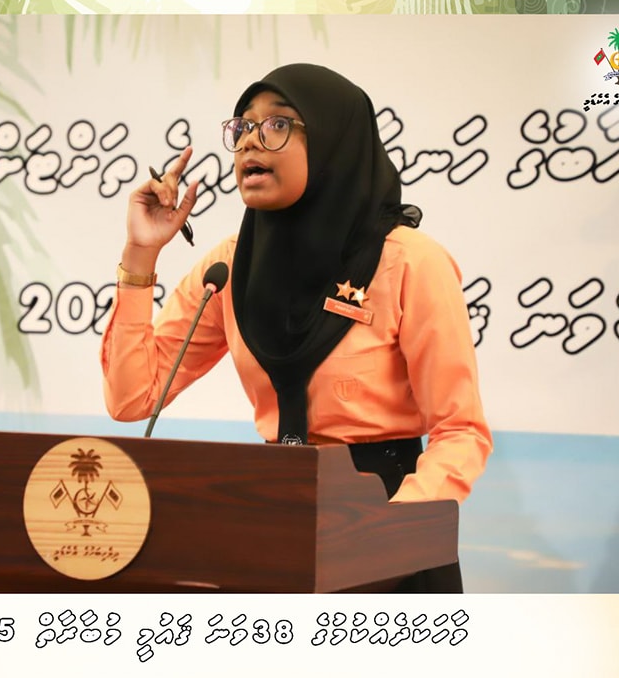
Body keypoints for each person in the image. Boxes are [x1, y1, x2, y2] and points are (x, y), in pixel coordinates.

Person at [100, 63, 492, 592]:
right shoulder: (229, 266)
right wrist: (140, 253)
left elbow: (461, 431)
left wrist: (387, 531)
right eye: (243, 127)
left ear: (332, 142)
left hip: (389, 524)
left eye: (278, 124)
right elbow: (132, 398)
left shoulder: (409, 262)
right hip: (275, 519)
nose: (249, 141)